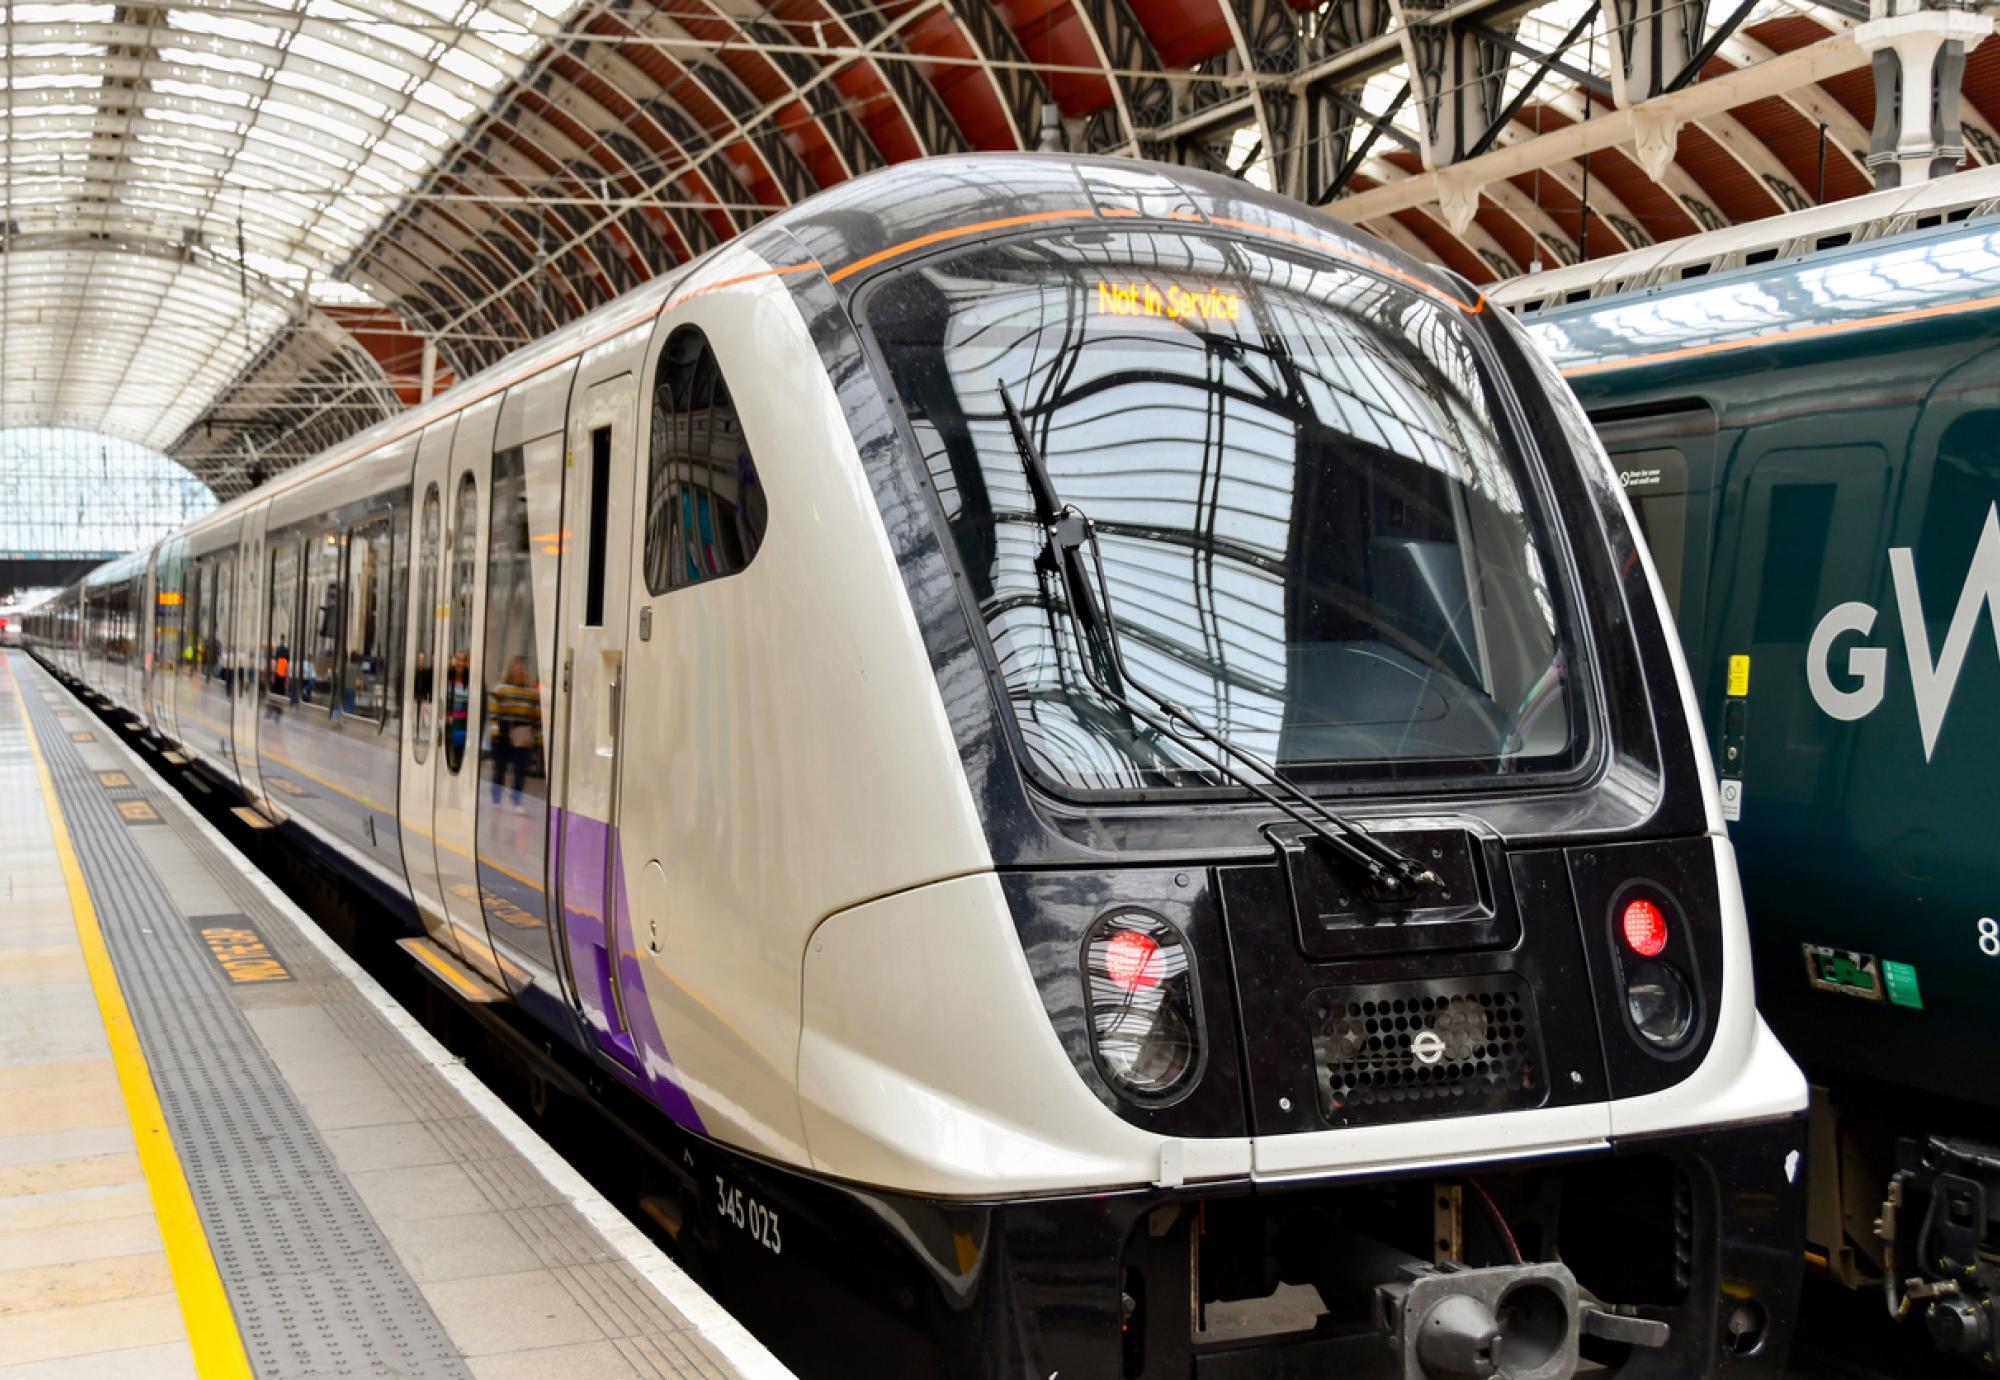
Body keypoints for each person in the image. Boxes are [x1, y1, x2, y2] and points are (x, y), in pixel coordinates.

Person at [487, 656, 540, 804]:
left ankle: (516, 799)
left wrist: (539, 738)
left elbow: (537, 717)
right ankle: (496, 798)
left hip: (522, 733)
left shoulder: (531, 694)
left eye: (521, 668)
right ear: (510, 670)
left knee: (520, 769)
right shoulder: (500, 690)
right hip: (502, 732)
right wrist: (495, 731)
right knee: (500, 768)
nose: (519, 670)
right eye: (516, 668)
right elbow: (493, 712)